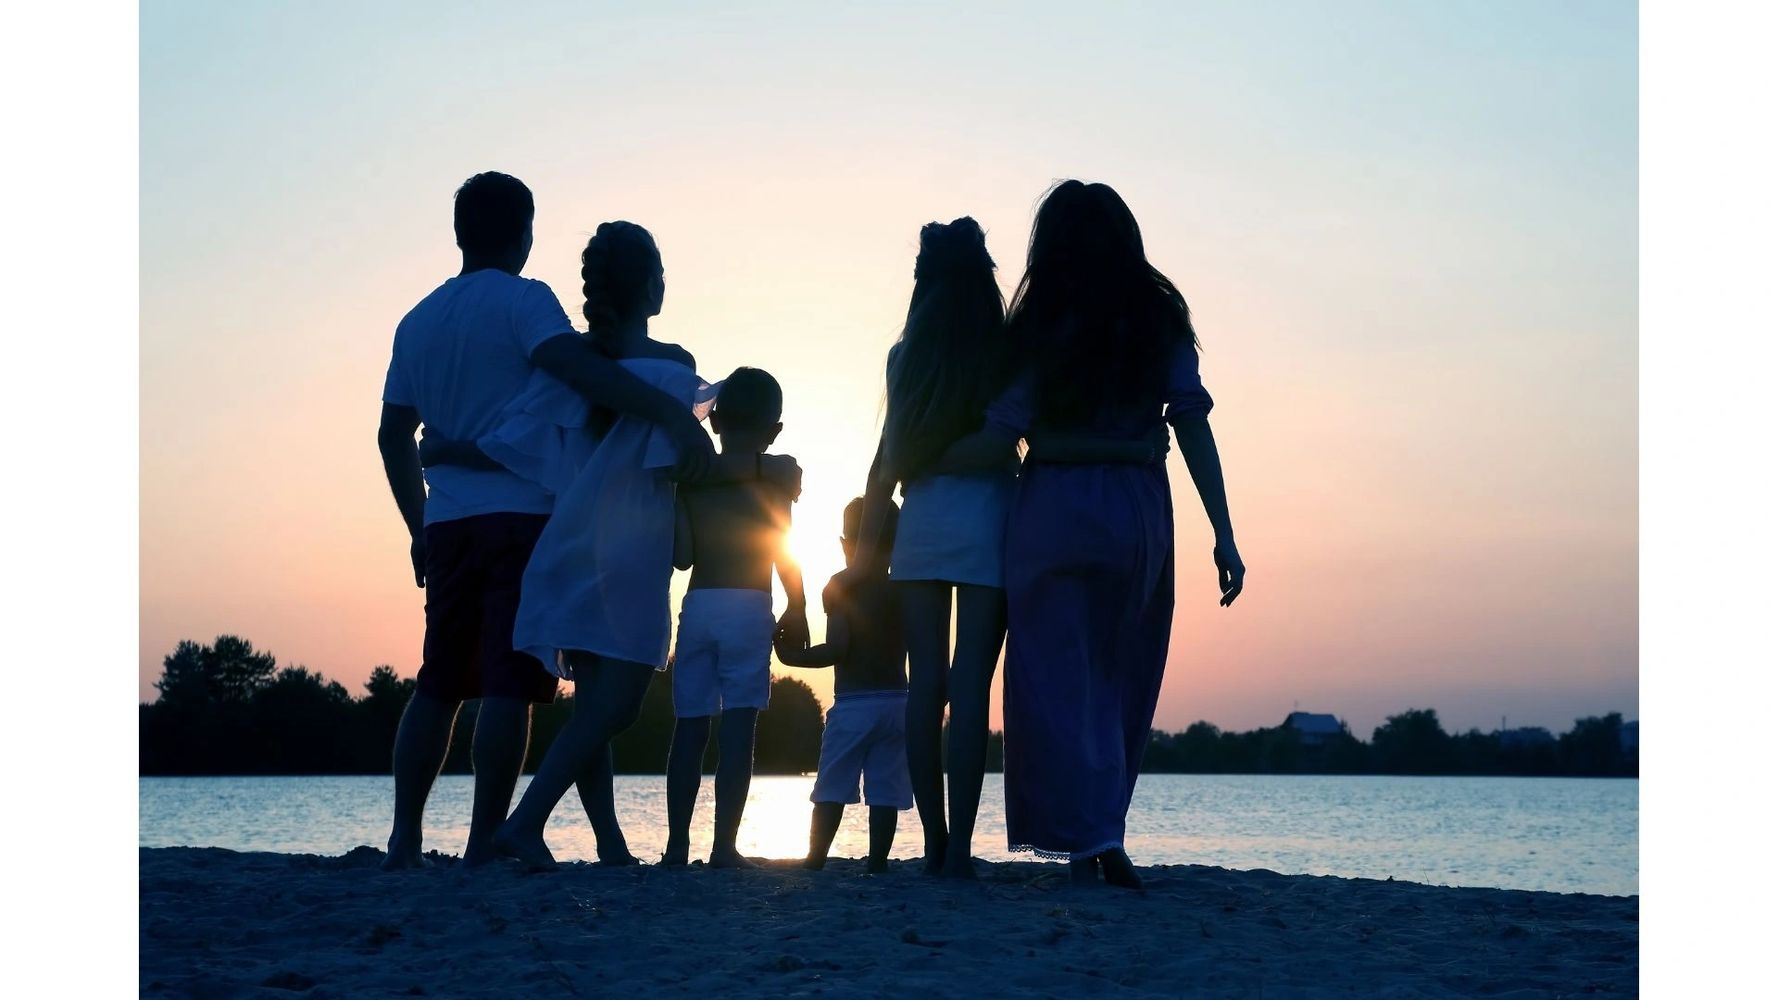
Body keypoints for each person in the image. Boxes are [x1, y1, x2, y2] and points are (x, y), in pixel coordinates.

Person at [376, 174, 716, 870]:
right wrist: (672, 415)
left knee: (437, 682)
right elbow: (577, 372)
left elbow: (391, 436)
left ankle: (404, 840)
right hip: (525, 514)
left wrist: (417, 523)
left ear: (459, 231)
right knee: (507, 683)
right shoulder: (527, 303)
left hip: (447, 521)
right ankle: (484, 842)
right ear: (524, 233)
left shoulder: (416, 321)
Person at [928, 180, 1245, 890]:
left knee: (1052, 682)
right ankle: (1102, 833)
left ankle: (1086, 832)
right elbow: (1190, 419)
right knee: (1119, 675)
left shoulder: (1040, 326)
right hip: (1134, 516)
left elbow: (999, 435)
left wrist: (912, 464)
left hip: (1050, 514)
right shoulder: (1156, 321)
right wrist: (1223, 532)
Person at [660, 367, 807, 868]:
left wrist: (683, 497)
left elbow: (682, 557)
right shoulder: (776, 481)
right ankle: (724, 847)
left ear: (715, 422)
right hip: (748, 606)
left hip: (700, 604)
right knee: (739, 728)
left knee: (690, 727)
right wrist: (799, 605)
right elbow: (783, 548)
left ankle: (677, 846)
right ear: (774, 430)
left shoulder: (695, 479)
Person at [777, 497, 911, 874]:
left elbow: (837, 648)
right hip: (898, 701)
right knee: (885, 789)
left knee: (833, 785)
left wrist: (792, 658)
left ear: (844, 542)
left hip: (854, 703)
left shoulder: (841, 586)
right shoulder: (905, 588)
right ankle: (878, 862)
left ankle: (816, 857)